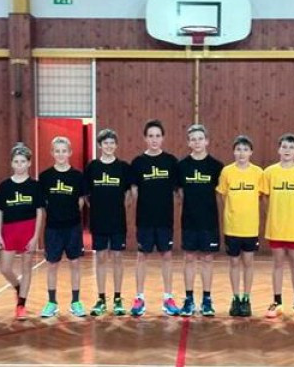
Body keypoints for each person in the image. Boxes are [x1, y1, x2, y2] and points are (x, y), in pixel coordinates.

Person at [129, 120, 180, 316]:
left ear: (163, 138)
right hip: (145, 220)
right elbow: (134, 192)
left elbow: (177, 191)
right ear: (145, 138)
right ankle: (139, 298)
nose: (154, 139)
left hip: (165, 219)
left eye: (158, 136)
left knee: (166, 256)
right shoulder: (138, 163)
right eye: (150, 136)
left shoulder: (171, 161)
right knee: (142, 256)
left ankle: (168, 298)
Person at [260, 133, 294, 320]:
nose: (287, 150)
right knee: (278, 264)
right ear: (278, 149)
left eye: (291, 147)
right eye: (284, 147)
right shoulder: (269, 172)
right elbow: (265, 197)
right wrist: (275, 214)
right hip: (276, 226)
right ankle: (277, 301)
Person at [178, 124, 224, 317]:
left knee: (207, 259)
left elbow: (220, 194)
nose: (197, 142)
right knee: (189, 258)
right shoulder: (182, 166)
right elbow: (180, 193)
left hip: (209, 221)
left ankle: (206, 300)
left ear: (207, 141)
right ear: (189, 142)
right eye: (193, 139)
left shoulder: (216, 166)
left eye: (200, 139)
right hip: (189, 220)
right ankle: (189, 300)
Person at [38, 137, 87, 318]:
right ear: (52, 153)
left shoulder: (77, 176)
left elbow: (81, 201)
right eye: (57, 151)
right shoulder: (45, 177)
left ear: (70, 152)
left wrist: (70, 215)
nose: (60, 154)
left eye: (64, 151)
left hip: (73, 227)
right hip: (53, 228)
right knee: (52, 265)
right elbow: (43, 203)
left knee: (75, 264)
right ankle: (52, 302)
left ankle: (76, 302)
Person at [0, 143, 45, 320]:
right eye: (16, 161)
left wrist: (35, 237)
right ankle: (18, 286)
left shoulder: (35, 186)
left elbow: (40, 212)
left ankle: (21, 304)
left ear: (29, 163)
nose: (19, 165)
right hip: (9, 230)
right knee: (5, 268)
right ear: (11, 163)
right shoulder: (4, 186)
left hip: (28, 228)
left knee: (26, 267)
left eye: (23, 161)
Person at [85, 129, 130, 317]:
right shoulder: (92, 167)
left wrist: (118, 208)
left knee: (118, 258)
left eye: (112, 143)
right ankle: (101, 298)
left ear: (116, 145)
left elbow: (128, 194)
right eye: (105, 143)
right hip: (99, 221)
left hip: (118, 221)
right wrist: (98, 208)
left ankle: (118, 298)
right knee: (101, 258)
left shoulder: (123, 167)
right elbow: (87, 195)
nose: (109, 146)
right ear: (100, 145)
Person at [216, 135, 262, 317]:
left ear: (251, 152)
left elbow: (262, 196)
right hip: (232, 227)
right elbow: (222, 195)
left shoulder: (258, 173)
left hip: (250, 227)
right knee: (234, 262)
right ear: (233, 152)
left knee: (248, 262)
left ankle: (246, 298)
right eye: (238, 149)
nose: (242, 153)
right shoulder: (227, 172)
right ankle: (236, 298)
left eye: (245, 149)